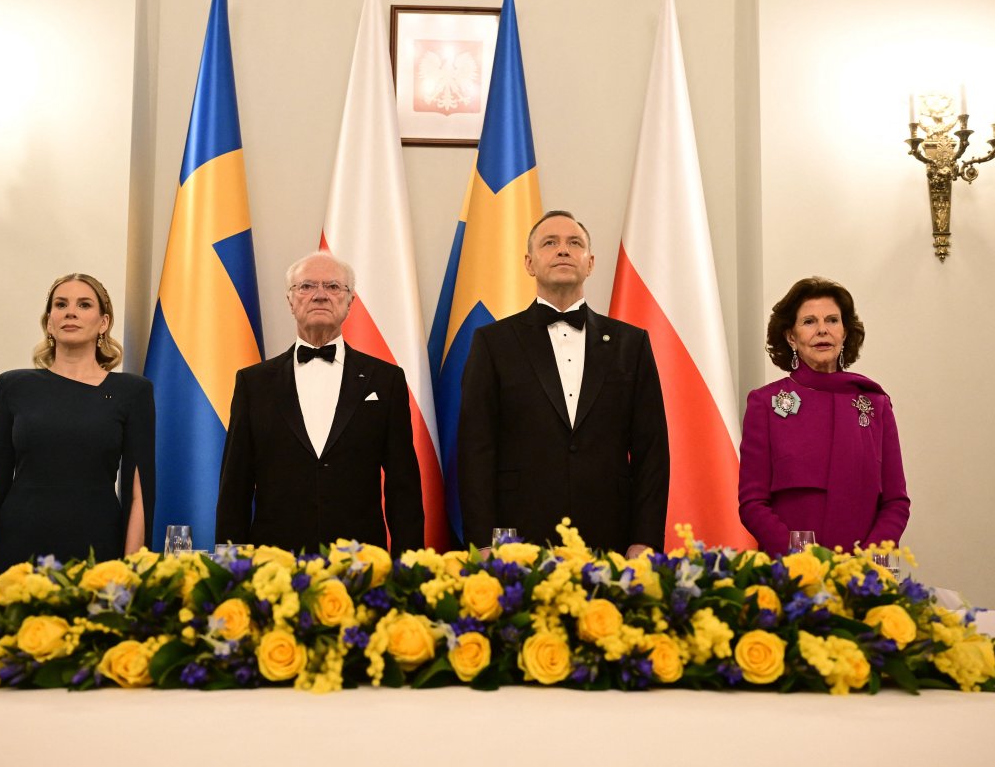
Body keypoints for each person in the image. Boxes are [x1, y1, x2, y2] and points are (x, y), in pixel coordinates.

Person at [458, 210, 669, 556]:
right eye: (549, 243)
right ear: (528, 263)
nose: (563, 250)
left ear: (590, 263)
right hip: (518, 539)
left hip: (611, 535)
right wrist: (483, 541)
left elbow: (652, 451)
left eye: (575, 243)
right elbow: (475, 450)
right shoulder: (493, 342)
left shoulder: (631, 344)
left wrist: (644, 538)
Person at [216, 252, 424, 554]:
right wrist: (230, 567)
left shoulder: (385, 380)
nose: (320, 295)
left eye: (333, 287)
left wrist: (409, 569)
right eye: (307, 286)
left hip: (361, 568)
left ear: (350, 302)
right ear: (290, 301)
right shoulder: (254, 383)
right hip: (274, 567)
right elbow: (235, 486)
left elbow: (402, 485)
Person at [0, 274, 155, 580]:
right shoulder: (14, 386)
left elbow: (139, 495)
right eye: (61, 304)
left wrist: (131, 577)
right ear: (50, 322)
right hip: (18, 551)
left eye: (84, 304)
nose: (71, 312)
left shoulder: (133, 391)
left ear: (103, 322)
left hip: (97, 552)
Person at [738, 276, 910, 555]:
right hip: (792, 575)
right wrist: (807, 560)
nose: (822, 330)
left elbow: (896, 503)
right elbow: (752, 502)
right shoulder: (765, 404)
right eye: (809, 322)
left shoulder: (875, 404)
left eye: (832, 320)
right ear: (791, 336)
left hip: (863, 577)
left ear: (844, 332)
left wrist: (864, 563)